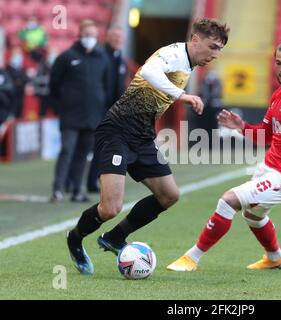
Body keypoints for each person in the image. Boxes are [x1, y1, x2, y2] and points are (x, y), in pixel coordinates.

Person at [66, 18, 230, 275]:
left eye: (219, 49)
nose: (215, 54)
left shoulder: (188, 62)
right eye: (212, 46)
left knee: (169, 195)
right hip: (117, 131)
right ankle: (75, 239)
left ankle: (115, 237)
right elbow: (148, 72)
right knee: (110, 208)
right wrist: (182, 95)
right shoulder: (173, 53)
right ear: (195, 39)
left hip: (142, 136)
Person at [167, 38, 281, 272]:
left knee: (228, 200)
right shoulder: (280, 94)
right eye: (279, 63)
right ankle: (275, 258)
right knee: (252, 215)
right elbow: (267, 136)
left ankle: (192, 258)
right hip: (270, 167)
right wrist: (242, 127)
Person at [49, 19, 110, 203]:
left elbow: (105, 85)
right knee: (67, 150)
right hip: (70, 114)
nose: (89, 39)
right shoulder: (66, 57)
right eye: (87, 35)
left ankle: (77, 189)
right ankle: (58, 188)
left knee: (83, 154)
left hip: (92, 115)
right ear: (80, 35)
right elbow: (54, 85)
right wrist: (62, 106)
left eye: (93, 35)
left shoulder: (102, 58)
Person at [86, 25, 128, 193]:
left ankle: (96, 179)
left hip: (113, 110)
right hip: (99, 109)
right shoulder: (101, 56)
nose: (117, 41)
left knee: (105, 147)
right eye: (114, 37)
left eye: (120, 38)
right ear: (108, 38)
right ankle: (80, 181)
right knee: (92, 146)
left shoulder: (120, 58)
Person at [32, 47, 58, 117]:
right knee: (42, 113)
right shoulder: (42, 65)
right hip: (44, 94)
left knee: (56, 113)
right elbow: (36, 79)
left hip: (56, 95)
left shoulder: (59, 66)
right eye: (50, 54)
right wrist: (45, 79)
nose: (52, 56)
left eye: (54, 54)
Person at [6, 47, 29, 118]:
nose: (19, 57)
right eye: (17, 55)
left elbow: (26, 79)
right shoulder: (7, 69)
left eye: (20, 55)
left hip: (20, 98)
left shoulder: (22, 69)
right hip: (10, 100)